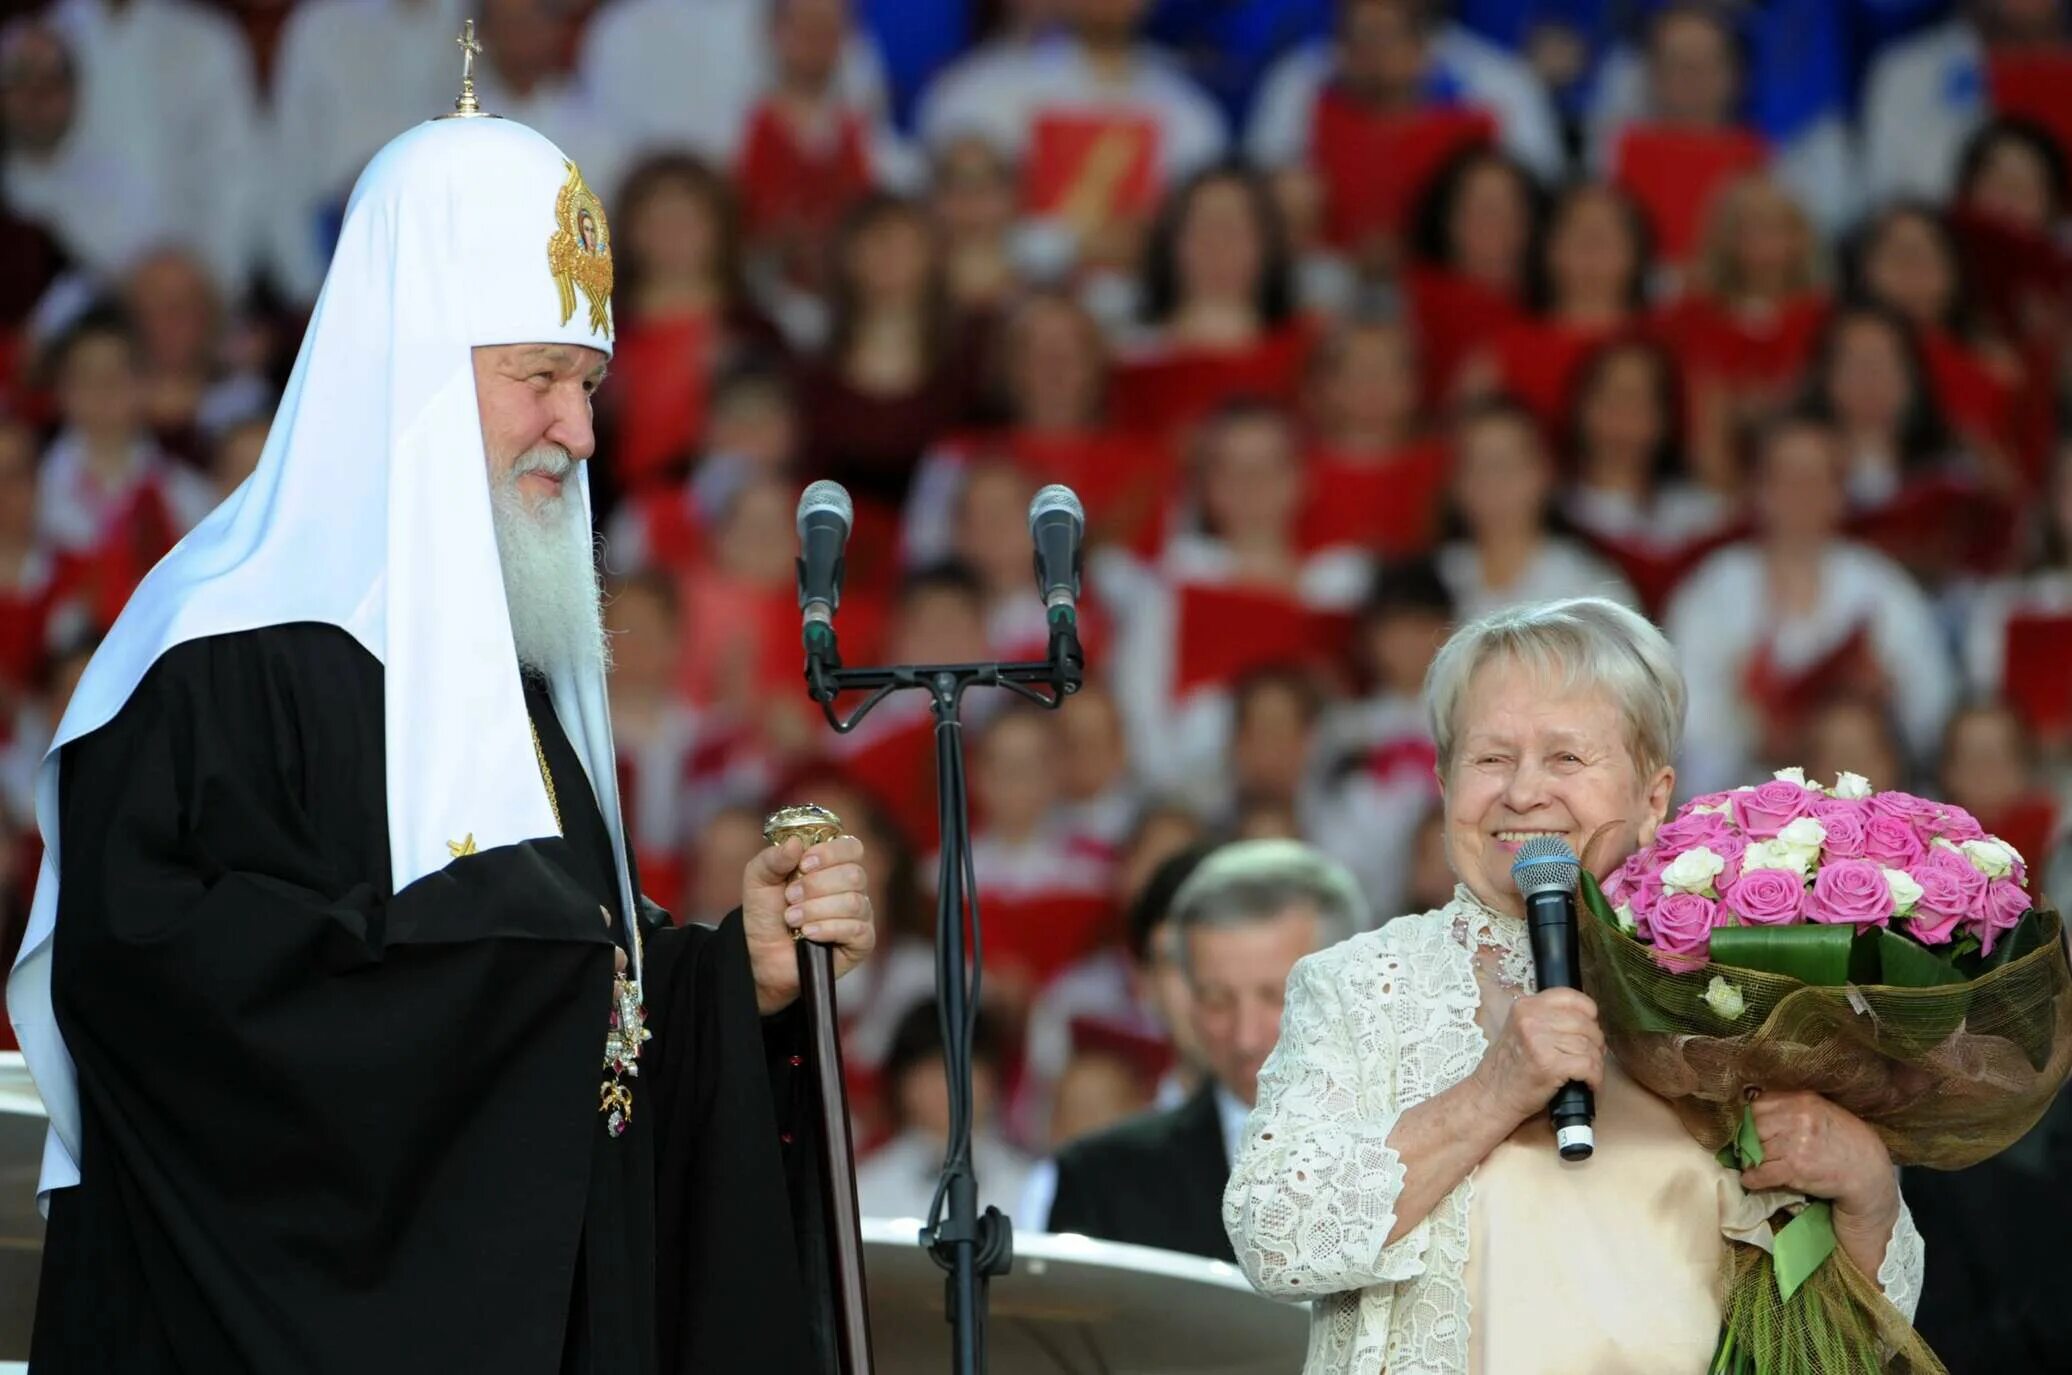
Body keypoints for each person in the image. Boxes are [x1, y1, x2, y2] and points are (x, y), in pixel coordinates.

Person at [7, 109, 879, 1373]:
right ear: (406, 362)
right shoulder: (217, 656)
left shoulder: (507, 666)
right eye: (539, 377)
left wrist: (722, 976)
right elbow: (179, 1008)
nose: (580, 435)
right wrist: (544, 987)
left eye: (588, 386)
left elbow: (588, 999)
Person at [1224, 597, 1925, 1372]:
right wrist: (1493, 1090)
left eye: (1565, 758)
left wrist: (1866, 1188)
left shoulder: (1732, 996)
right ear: (1443, 780)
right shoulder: (1358, 986)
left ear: (1654, 797)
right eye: (1490, 758)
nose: (1523, 793)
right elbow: (1275, 1238)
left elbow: (1838, 1342)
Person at [1031, 837, 1363, 1261]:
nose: (1245, 1037)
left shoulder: (1429, 1152)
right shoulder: (1101, 1183)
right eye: (1216, 1000)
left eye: (1276, 996)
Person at [1667, 411, 1957, 795]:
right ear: (1758, 490)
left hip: (1862, 804)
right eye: (1786, 478)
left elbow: (1932, 707)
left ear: (1840, 493)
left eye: (1816, 479)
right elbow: (1681, 719)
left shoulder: (1881, 586)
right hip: (1743, 799)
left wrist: (1884, 697)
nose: (1801, 493)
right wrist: (1750, 720)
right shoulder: (1713, 590)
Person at [854, 1000, 1033, 1220]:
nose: (944, 1085)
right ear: (900, 1083)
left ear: (993, 1078)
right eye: (929, 1070)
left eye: (960, 1068)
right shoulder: (864, 1189)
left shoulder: (1030, 1186)